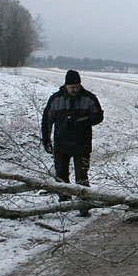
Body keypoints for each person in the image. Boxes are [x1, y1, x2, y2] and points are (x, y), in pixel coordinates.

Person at [41, 70, 104, 217]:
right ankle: (64, 204)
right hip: (61, 145)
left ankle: (84, 205)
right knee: (61, 175)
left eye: (77, 86)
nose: (76, 89)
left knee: (82, 176)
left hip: (82, 145)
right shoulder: (56, 99)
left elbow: (99, 116)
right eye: (72, 87)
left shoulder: (89, 98)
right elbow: (47, 120)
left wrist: (86, 120)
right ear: (66, 85)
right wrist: (46, 140)